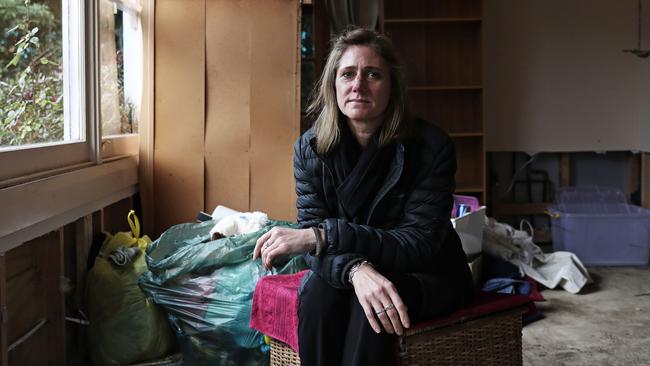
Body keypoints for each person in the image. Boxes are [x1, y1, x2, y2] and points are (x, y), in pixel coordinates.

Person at [253, 27, 473, 366]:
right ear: (334, 85)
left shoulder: (430, 147)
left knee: (370, 304)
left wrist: (323, 237)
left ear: (392, 86)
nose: (358, 85)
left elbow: (418, 243)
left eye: (373, 74)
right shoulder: (309, 150)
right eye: (348, 74)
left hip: (427, 274)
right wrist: (356, 269)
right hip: (354, 268)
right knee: (317, 294)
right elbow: (314, 249)